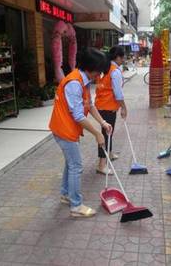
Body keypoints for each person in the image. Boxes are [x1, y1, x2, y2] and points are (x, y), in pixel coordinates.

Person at [49, 48, 113, 218]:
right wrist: (97, 134)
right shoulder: (74, 83)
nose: (99, 76)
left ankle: (65, 194)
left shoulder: (83, 81)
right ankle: (76, 205)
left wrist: (103, 122)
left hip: (68, 129)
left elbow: (89, 105)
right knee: (76, 166)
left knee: (71, 164)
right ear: (90, 68)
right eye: (99, 71)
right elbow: (78, 115)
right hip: (64, 130)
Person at [95, 46, 127, 174]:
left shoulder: (105, 68)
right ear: (118, 57)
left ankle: (110, 153)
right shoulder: (115, 71)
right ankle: (101, 165)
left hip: (101, 106)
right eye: (122, 57)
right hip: (108, 107)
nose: (123, 60)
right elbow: (118, 93)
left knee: (108, 132)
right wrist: (124, 107)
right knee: (106, 135)